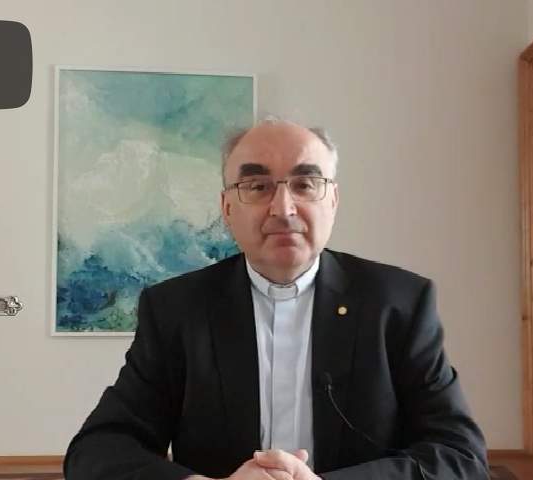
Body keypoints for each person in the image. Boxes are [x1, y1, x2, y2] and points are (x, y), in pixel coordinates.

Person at [63, 117, 489, 480]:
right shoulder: (176, 309)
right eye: (257, 186)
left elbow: (460, 456)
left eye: (305, 184)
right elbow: (96, 450)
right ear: (227, 209)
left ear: (333, 201)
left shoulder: (399, 303)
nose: (283, 209)